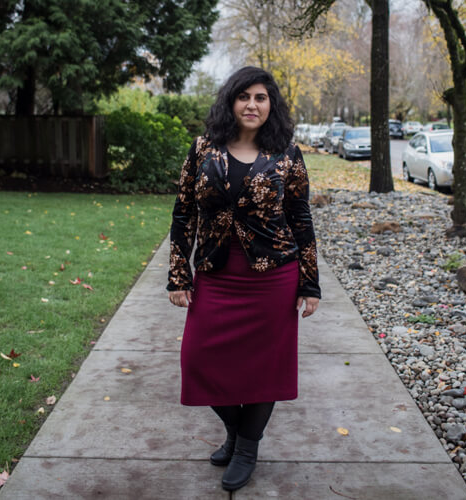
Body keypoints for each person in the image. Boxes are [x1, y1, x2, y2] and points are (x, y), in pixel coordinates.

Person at [167, 66, 321, 492]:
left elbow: (300, 217)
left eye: (261, 97)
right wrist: (179, 273)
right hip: (217, 273)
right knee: (198, 359)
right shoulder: (203, 149)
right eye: (243, 96)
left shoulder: (287, 153)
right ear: (230, 102)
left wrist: (310, 283)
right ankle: (236, 432)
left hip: (273, 278)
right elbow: (184, 212)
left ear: (271, 106)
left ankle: (247, 446)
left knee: (264, 369)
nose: (252, 105)